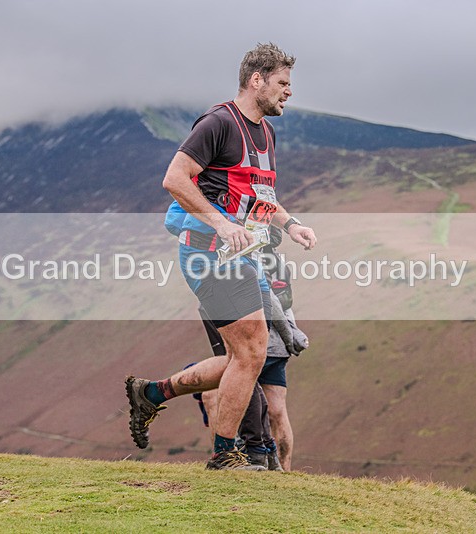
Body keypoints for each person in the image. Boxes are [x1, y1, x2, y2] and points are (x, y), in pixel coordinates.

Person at [125, 42, 317, 471]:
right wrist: (221, 224)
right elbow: (175, 179)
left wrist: (290, 225)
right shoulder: (218, 123)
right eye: (282, 83)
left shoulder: (266, 133)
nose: (288, 91)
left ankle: (152, 393)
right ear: (256, 80)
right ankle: (225, 455)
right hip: (208, 254)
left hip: (244, 257)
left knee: (243, 358)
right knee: (252, 353)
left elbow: (258, 196)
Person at [200, 245, 309, 472]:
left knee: (223, 397)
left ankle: (229, 456)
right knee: (277, 411)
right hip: (278, 345)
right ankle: (280, 468)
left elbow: (272, 299)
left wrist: (288, 333)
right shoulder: (276, 260)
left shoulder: (252, 256)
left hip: (258, 340)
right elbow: (283, 299)